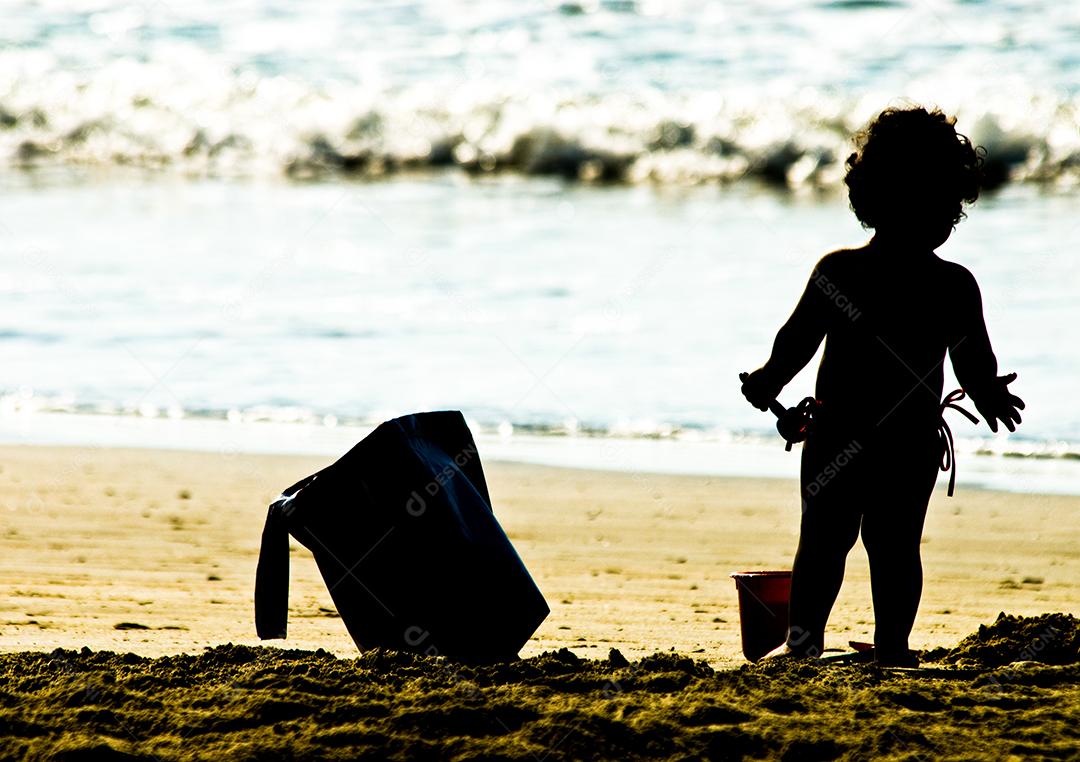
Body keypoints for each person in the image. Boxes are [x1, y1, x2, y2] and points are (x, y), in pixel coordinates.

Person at [740, 106, 1025, 666]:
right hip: (907, 441)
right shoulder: (952, 284)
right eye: (946, 203)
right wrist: (990, 395)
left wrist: (769, 380)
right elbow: (975, 365)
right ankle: (892, 646)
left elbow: (794, 342)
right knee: (894, 550)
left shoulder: (841, 272)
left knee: (823, 543)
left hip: (840, 438)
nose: (947, 215)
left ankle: (803, 646)